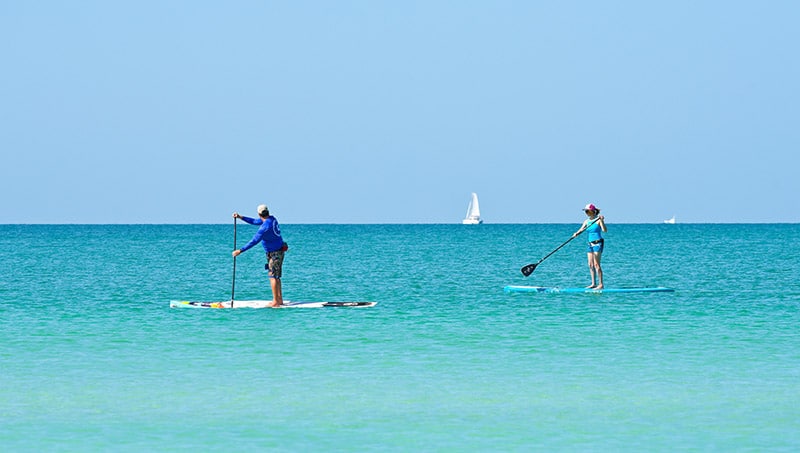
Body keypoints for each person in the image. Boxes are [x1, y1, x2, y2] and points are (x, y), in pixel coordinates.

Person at [232, 204, 288, 307]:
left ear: (259, 213)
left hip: (275, 253)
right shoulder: (272, 219)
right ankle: (279, 300)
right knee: (276, 276)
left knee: (272, 276)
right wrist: (241, 217)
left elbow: (254, 241)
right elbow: (255, 221)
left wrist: (240, 251)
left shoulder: (265, 228)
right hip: (278, 251)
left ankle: (276, 302)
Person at [572, 203, 607, 289]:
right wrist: (576, 233)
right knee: (590, 264)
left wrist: (602, 221)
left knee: (596, 265)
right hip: (590, 244)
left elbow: (604, 230)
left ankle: (601, 284)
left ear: (593, 211)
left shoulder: (598, 220)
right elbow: (581, 229)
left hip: (598, 243)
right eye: (585, 211)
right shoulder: (586, 222)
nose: (586, 213)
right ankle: (593, 283)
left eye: (587, 211)